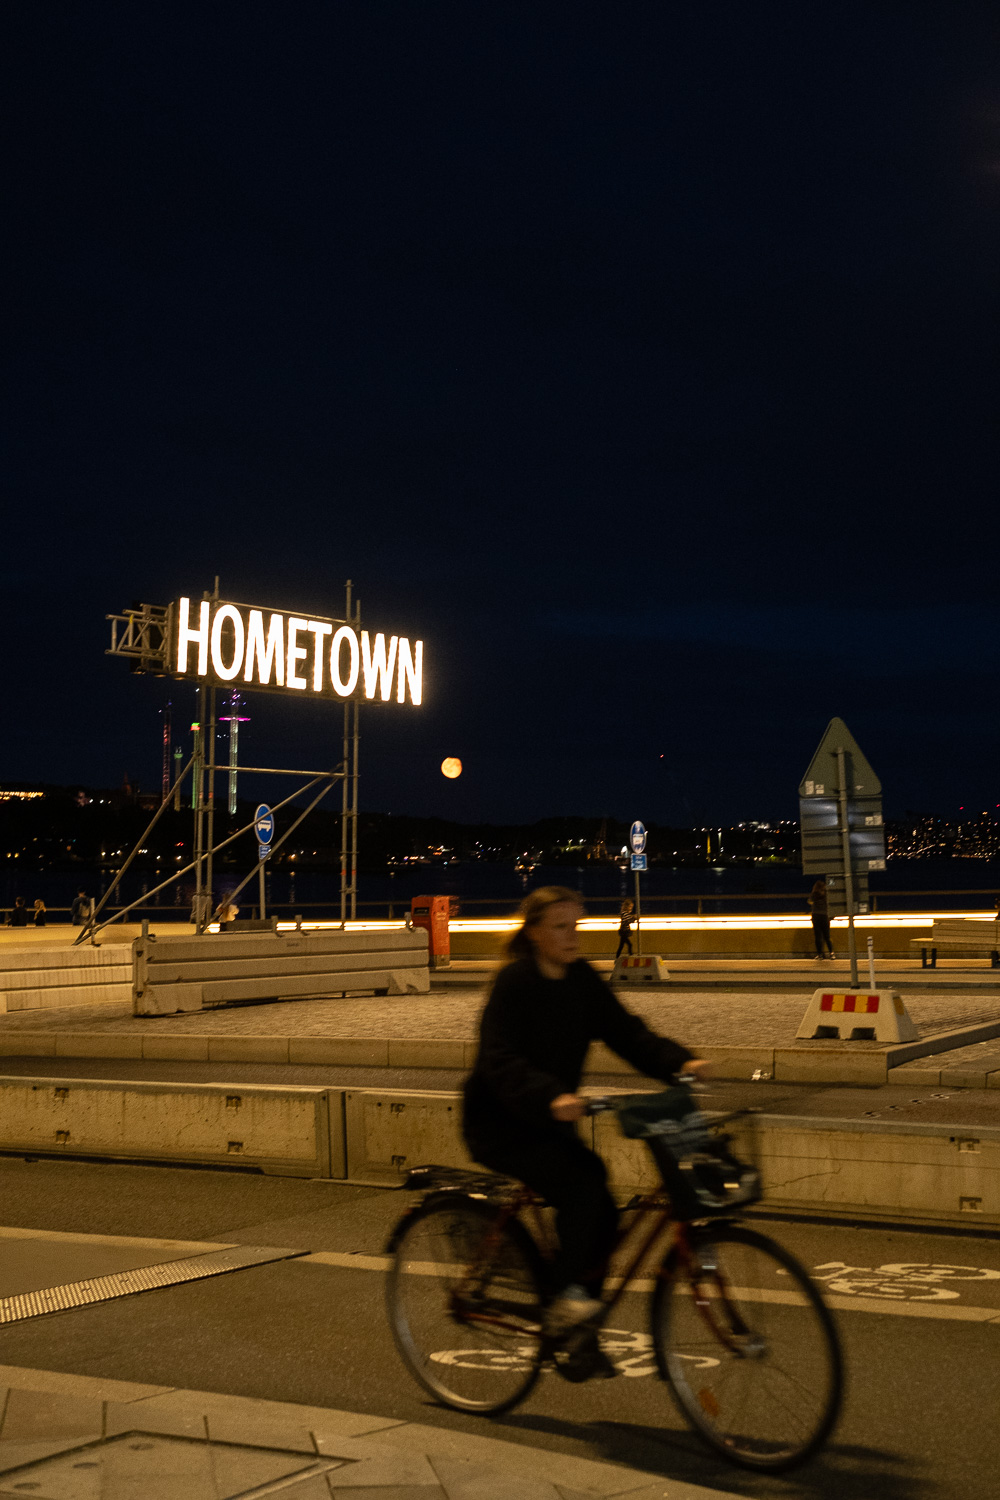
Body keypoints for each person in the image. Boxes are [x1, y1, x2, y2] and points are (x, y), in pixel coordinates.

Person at [463, 885, 710, 1348]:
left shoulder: (581, 981)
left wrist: (680, 1063)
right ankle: (563, 1302)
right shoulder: (515, 983)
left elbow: (628, 1034)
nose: (573, 936)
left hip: (549, 1121)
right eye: (560, 927)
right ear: (535, 933)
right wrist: (552, 1095)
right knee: (581, 1189)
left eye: (576, 925)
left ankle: (579, 1322)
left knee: (602, 1202)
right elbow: (499, 1059)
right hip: (500, 1122)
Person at [808, 877, 834, 960]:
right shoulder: (826, 894)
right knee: (827, 936)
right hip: (825, 915)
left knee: (818, 936)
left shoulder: (814, 894)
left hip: (816, 916)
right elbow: (830, 904)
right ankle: (831, 953)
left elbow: (809, 901)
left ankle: (820, 954)